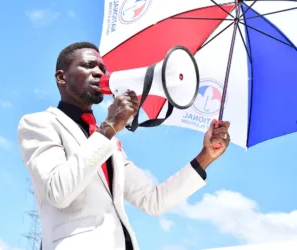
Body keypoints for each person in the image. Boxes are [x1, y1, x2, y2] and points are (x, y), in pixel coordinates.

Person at [17, 42, 231, 250]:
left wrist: (206, 156)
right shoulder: (40, 123)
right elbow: (59, 191)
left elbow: (153, 201)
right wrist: (109, 127)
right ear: (62, 77)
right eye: (89, 66)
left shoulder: (108, 141)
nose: (99, 73)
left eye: (102, 68)